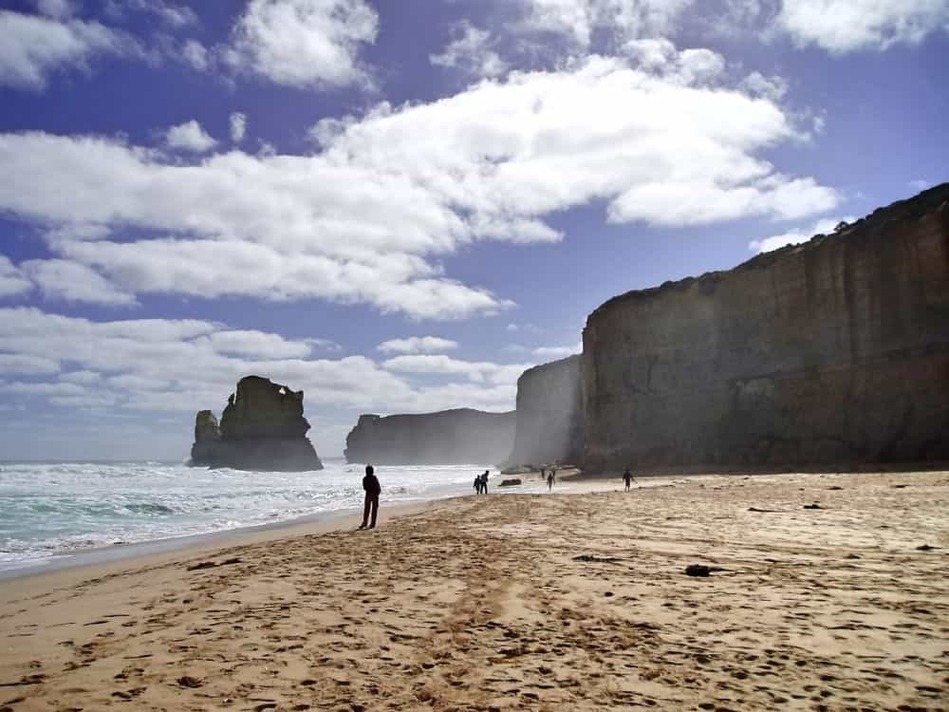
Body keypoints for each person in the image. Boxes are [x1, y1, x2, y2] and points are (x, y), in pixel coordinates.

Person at [359, 464, 381, 529]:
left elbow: (364, 488)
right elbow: (378, 486)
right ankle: (372, 523)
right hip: (374, 494)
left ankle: (365, 522)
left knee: (367, 509)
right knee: (374, 510)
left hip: (368, 494)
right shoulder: (374, 478)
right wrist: (377, 492)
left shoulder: (365, 479)